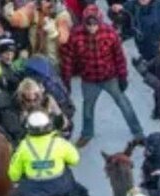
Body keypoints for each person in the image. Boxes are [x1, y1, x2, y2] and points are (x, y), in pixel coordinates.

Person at [60, 5, 143, 148]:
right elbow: (68, 59)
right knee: (87, 109)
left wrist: (122, 76)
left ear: (99, 21)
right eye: (88, 24)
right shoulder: (75, 35)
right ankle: (87, 133)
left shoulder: (110, 32)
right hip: (89, 79)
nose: (92, 27)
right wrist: (66, 81)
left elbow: (119, 57)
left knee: (124, 104)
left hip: (110, 77)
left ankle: (138, 132)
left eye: (94, 24)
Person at [8, 110, 93, 196]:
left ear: (29, 129)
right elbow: (75, 160)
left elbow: (13, 175)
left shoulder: (23, 147)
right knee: (83, 194)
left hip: (31, 192)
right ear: (49, 126)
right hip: (62, 188)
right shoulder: (59, 142)